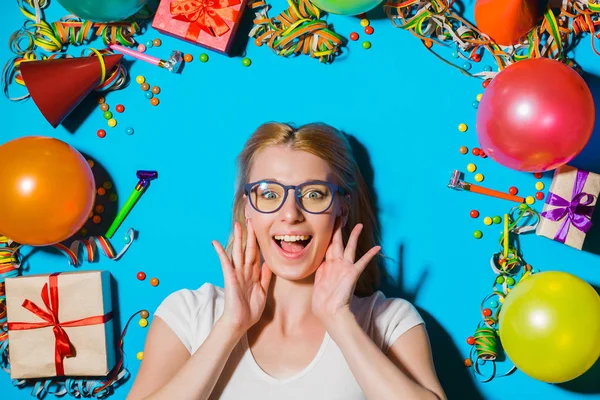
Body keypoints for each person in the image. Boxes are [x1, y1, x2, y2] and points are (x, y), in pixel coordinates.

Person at [127, 122, 446, 400]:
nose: (291, 214)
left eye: (314, 194)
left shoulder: (390, 321)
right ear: (247, 207)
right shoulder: (189, 314)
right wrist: (229, 327)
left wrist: (339, 319)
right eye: (268, 194)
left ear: (342, 209)